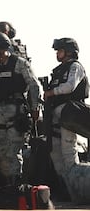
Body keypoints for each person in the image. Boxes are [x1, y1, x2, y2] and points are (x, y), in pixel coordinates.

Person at [0, 33, 40, 185]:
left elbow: (34, 85)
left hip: (16, 111)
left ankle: (16, 182)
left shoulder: (19, 63)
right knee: (2, 150)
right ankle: (8, 183)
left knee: (14, 150)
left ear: (2, 50)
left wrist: (34, 108)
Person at [44, 38, 90, 203]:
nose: (57, 53)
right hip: (55, 116)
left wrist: (52, 92)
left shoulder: (75, 67)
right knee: (55, 153)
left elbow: (70, 86)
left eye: (60, 50)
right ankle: (66, 190)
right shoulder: (58, 70)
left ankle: (78, 191)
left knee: (68, 154)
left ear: (69, 51)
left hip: (69, 116)